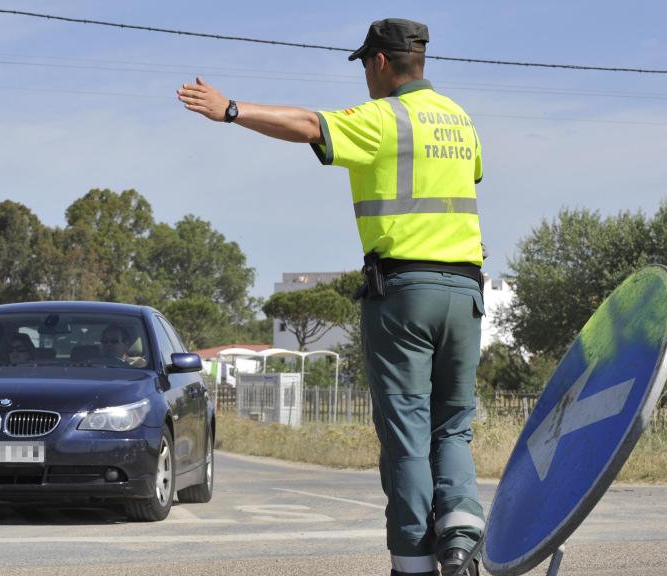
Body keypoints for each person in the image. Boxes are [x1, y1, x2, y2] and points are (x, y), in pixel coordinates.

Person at [177, 18, 485, 576]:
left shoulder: (385, 117)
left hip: (405, 293)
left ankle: (413, 563)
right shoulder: (461, 121)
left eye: (366, 64)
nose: (366, 75)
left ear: (382, 63)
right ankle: (462, 538)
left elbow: (308, 124)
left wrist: (230, 109)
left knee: (407, 434)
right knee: (453, 425)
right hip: (466, 295)